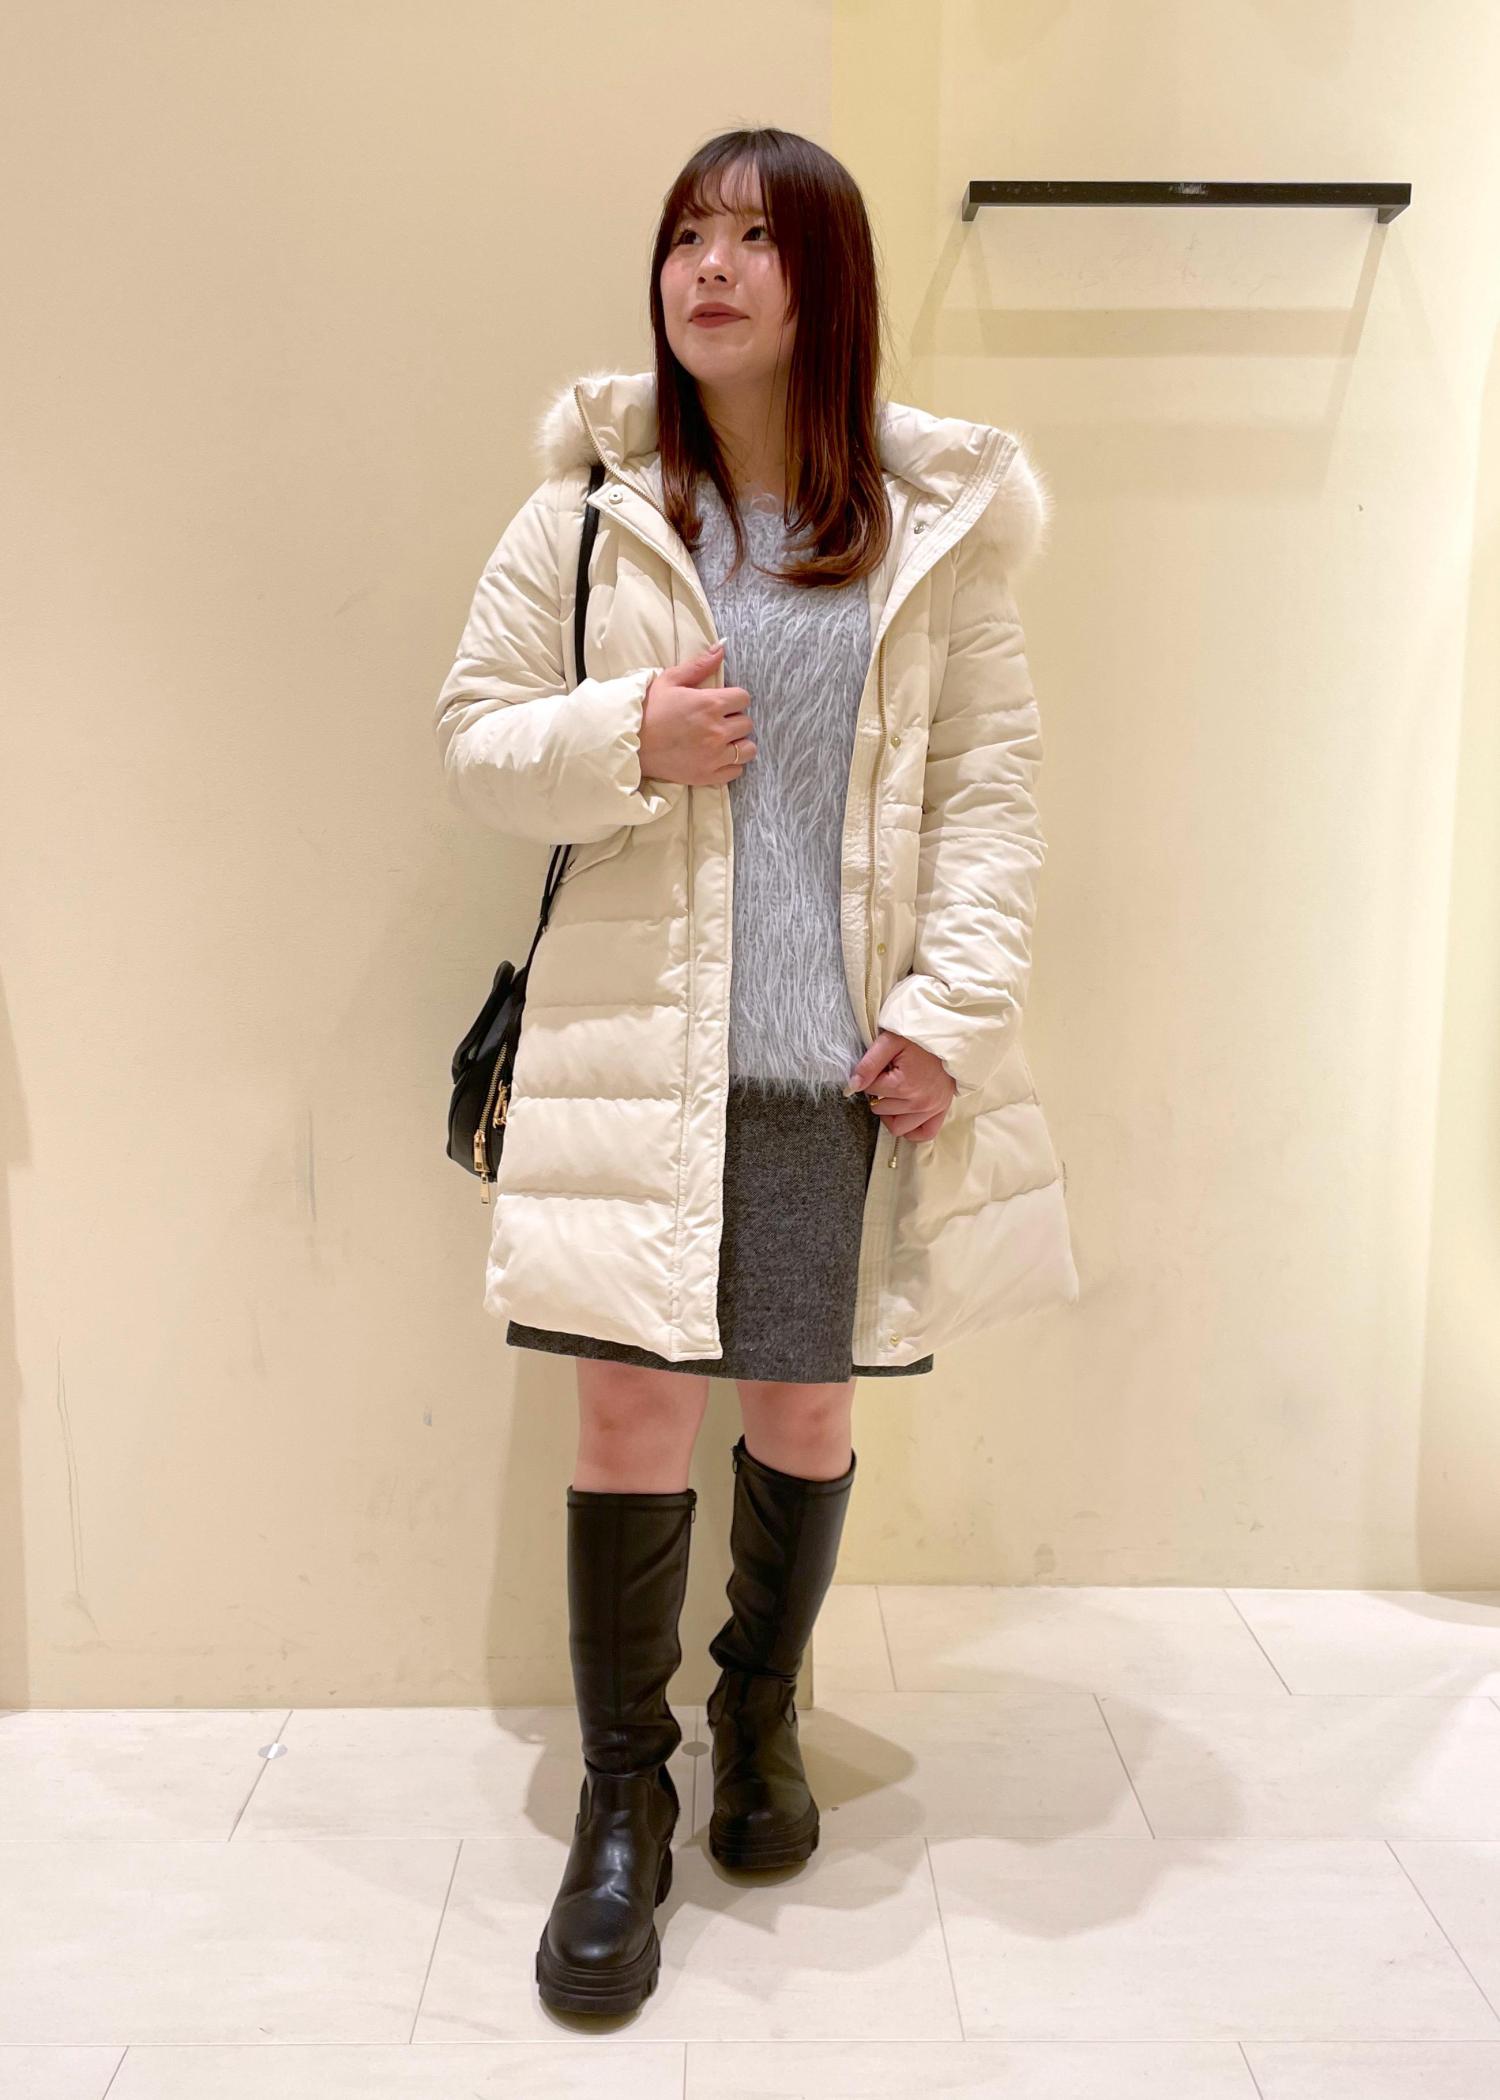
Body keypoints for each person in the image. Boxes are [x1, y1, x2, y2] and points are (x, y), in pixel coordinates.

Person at [433, 126, 1078, 2017]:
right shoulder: (587, 514)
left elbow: (991, 799)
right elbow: (473, 742)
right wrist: (627, 732)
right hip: (639, 1057)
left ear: (827, 278)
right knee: (629, 1421)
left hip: (827, 1074)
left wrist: (949, 1010)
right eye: (687, 236)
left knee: (802, 1408)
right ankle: (622, 1800)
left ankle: (762, 1718)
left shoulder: (930, 533)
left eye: (754, 239)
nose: (709, 269)